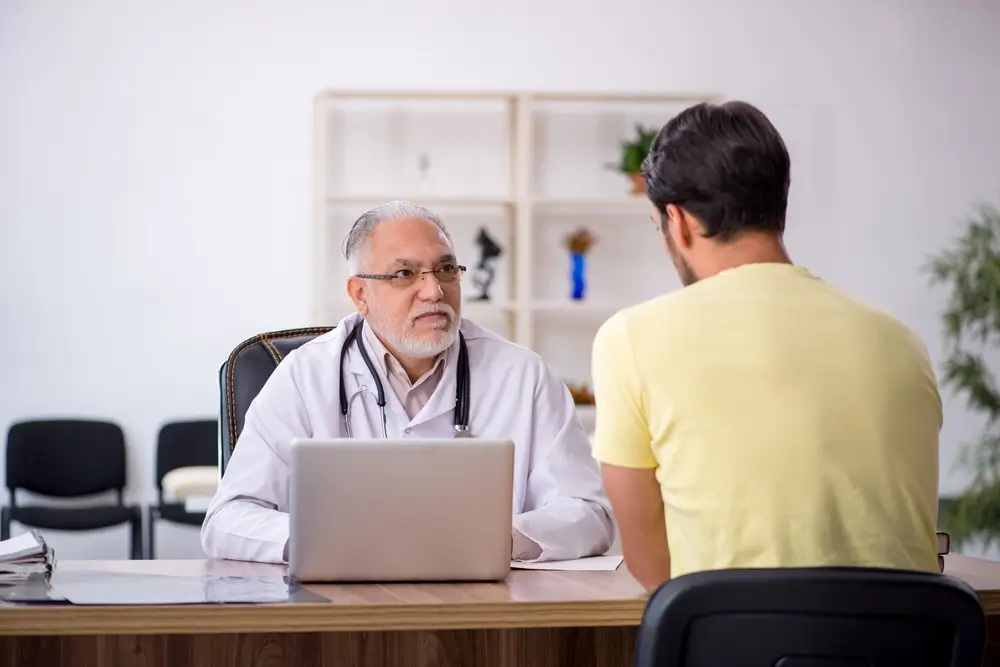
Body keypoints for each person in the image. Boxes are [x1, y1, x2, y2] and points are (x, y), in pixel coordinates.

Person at [590, 100, 941, 592]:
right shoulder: (901, 341)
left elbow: (650, 563)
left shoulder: (631, 338)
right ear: (778, 207)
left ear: (678, 220)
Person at [202, 200, 614, 564]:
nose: (434, 290)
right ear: (360, 294)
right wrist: (326, 543)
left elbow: (589, 514)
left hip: (485, 618)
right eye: (405, 273)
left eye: (446, 269)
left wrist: (497, 541)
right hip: (339, 617)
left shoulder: (525, 376)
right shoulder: (303, 376)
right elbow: (227, 519)